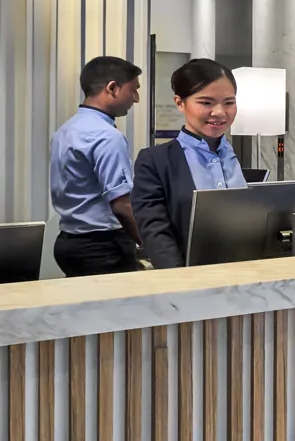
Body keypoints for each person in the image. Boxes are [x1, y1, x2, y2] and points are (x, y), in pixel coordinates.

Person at [133, 58, 245, 268]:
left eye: (229, 102)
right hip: (190, 281)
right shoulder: (155, 160)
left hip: (247, 278)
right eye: (206, 103)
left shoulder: (236, 154)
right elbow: (156, 232)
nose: (220, 112)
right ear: (180, 103)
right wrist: (182, 283)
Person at [48, 56, 144, 276]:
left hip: (69, 243)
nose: (136, 99)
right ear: (113, 88)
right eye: (133, 90)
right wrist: (145, 242)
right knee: (119, 310)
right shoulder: (107, 136)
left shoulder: (65, 130)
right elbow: (121, 204)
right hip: (103, 247)